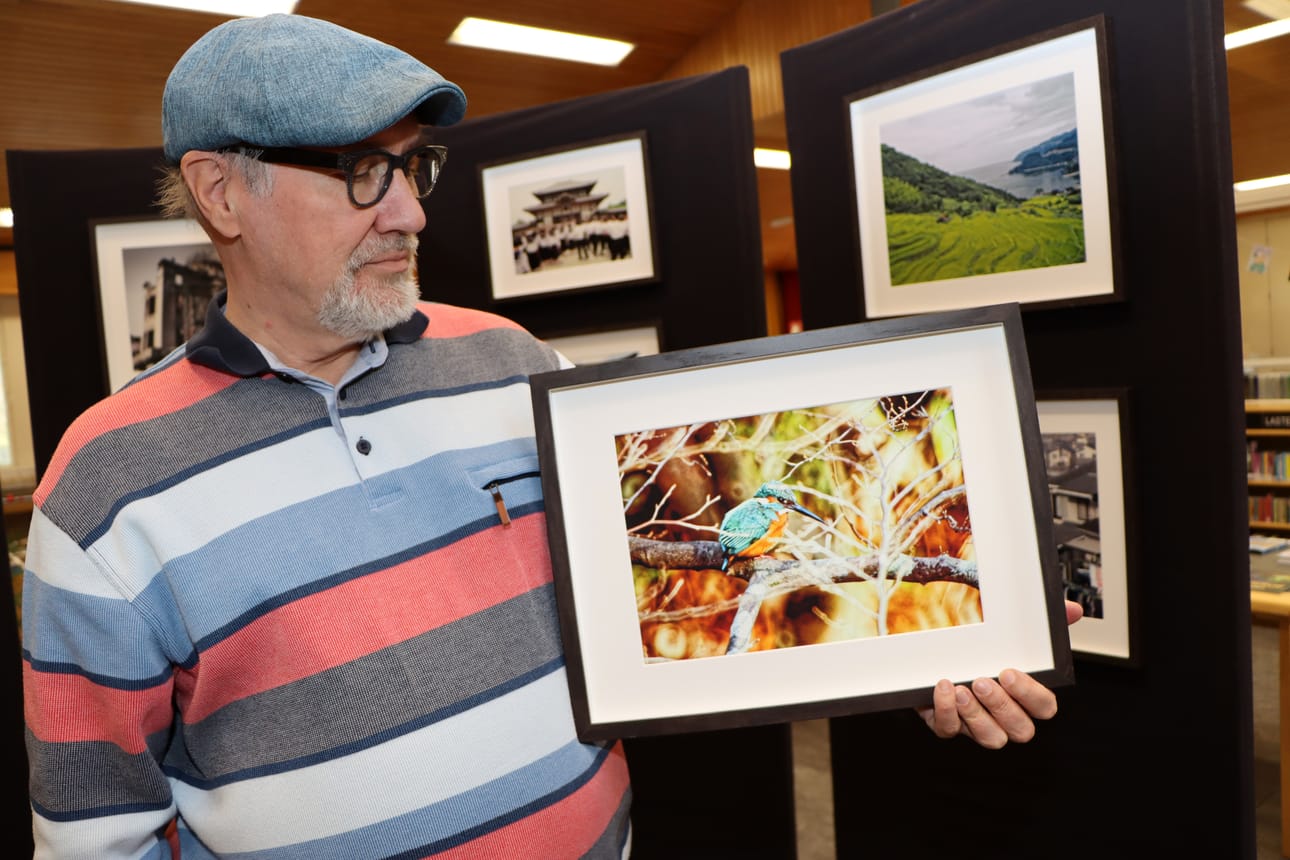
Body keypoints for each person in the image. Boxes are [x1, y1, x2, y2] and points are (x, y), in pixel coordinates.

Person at [20, 13, 1080, 859]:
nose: (410, 215)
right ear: (220, 192)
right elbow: (96, 830)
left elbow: (692, 568)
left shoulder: (517, 365)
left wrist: (928, 644)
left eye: (414, 166)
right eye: (362, 173)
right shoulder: (110, 481)